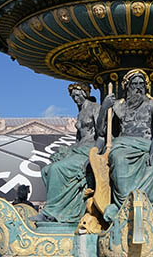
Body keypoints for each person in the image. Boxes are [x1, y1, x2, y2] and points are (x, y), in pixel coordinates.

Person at [98, 69, 153, 210]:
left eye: (142, 84)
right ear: (127, 87)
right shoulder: (118, 106)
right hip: (123, 145)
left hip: (147, 144)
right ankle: (124, 205)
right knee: (118, 160)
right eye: (134, 84)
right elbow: (101, 131)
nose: (138, 87)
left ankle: (148, 206)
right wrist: (104, 108)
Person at [32, 83, 101, 223]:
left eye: (78, 95)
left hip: (90, 149)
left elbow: (102, 134)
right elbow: (78, 138)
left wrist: (95, 154)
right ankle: (59, 210)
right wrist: (66, 151)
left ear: (85, 94)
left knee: (58, 169)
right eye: (73, 96)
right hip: (79, 149)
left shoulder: (96, 108)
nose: (76, 99)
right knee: (47, 169)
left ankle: (52, 212)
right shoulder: (81, 112)